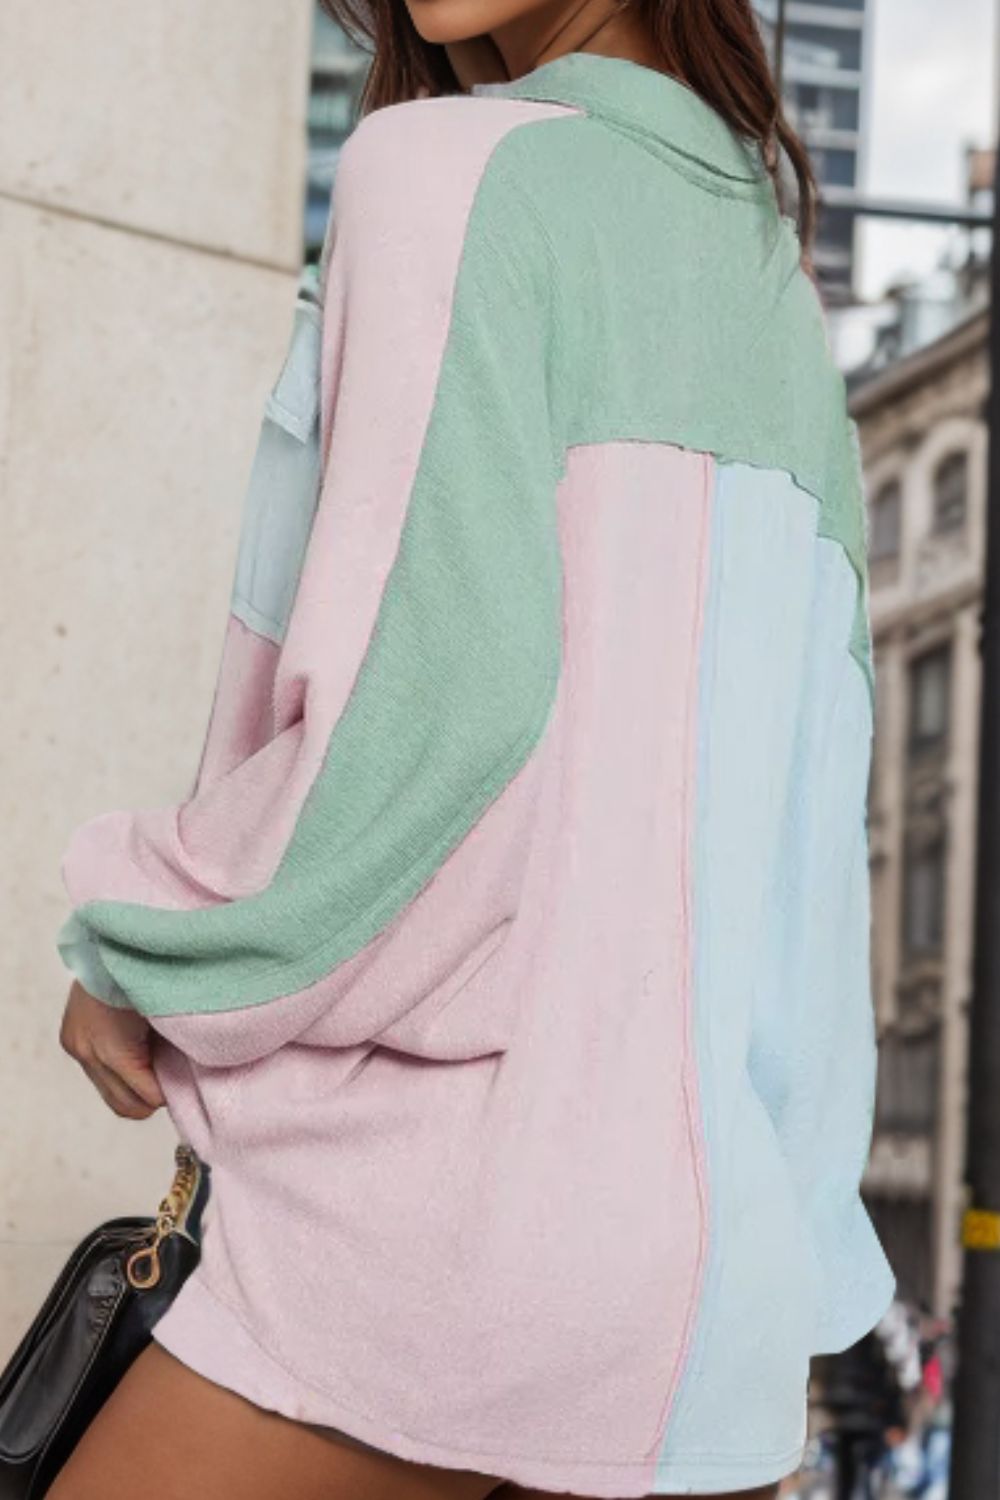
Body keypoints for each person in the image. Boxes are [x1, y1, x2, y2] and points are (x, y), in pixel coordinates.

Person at [50, 0, 896, 1494]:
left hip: (441, 1248)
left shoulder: (439, 172)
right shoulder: (774, 285)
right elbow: (819, 837)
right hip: (713, 1303)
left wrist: (156, 954)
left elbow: (434, 715)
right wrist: (787, 1235)